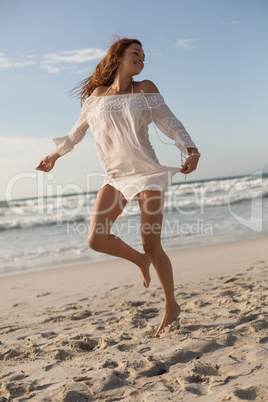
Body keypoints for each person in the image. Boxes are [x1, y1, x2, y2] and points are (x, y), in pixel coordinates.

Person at [36, 37, 200, 337]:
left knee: (151, 242)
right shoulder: (96, 97)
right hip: (115, 176)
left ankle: (171, 305)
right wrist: (52, 157)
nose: (142, 58)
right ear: (119, 56)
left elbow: (170, 122)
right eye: (136, 53)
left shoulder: (145, 89)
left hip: (147, 174)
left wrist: (191, 150)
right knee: (96, 239)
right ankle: (139, 260)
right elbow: (75, 135)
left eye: (144, 55)